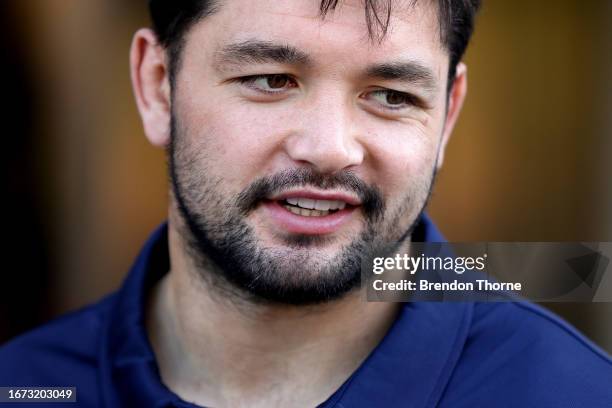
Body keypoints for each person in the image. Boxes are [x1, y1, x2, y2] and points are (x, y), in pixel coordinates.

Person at [1, 0, 611, 407]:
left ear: (447, 115)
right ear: (158, 87)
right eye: (270, 80)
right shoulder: (25, 386)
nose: (328, 149)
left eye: (391, 95)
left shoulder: (573, 393)